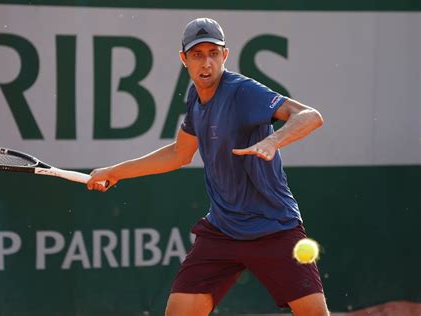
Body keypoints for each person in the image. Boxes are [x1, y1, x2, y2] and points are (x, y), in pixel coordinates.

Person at [87, 17, 329, 316]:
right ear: (184, 59)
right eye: (197, 55)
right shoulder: (195, 97)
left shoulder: (243, 92)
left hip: (274, 226)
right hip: (223, 229)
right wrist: (114, 171)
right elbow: (178, 153)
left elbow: (310, 116)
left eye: (213, 54)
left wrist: (273, 141)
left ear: (225, 55)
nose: (206, 63)